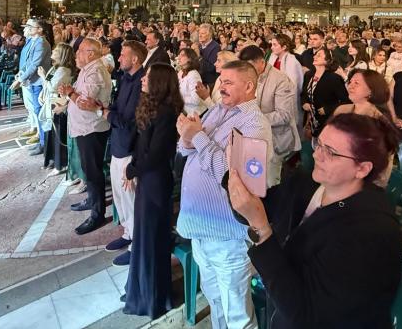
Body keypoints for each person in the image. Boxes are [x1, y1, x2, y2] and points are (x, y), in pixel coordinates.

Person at [227, 113, 402, 329]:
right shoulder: (307, 184)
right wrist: (236, 172)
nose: (317, 155)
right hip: (282, 314)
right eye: (319, 144)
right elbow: (252, 208)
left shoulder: (371, 231)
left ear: (362, 169)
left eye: (331, 152)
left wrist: (261, 229)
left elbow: (307, 315)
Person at [175, 60, 273, 329]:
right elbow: (188, 150)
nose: (221, 86)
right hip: (202, 230)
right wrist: (186, 137)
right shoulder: (217, 110)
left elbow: (237, 181)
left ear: (249, 86)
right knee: (216, 301)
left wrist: (197, 137)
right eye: (221, 80)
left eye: (229, 82)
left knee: (238, 315)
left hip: (227, 236)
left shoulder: (255, 124)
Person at [122, 63, 184, 320]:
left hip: (156, 181)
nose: (143, 80)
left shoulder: (167, 113)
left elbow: (156, 154)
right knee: (144, 235)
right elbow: (142, 145)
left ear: (159, 82)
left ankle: (152, 297)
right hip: (148, 178)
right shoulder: (153, 107)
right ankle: (140, 289)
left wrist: (133, 170)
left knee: (151, 238)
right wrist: (134, 167)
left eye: (148, 77)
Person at [99, 40, 147, 265]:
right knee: (119, 196)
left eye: (123, 55)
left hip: (130, 148)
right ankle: (128, 233)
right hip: (118, 143)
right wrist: (106, 109)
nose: (119, 58)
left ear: (135, 59)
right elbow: (118, 108)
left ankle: (138, 243)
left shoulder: (142, 84)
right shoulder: (126, 79)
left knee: (131, 199)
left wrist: (102, 112)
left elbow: (131, 123)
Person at [63, 37, 113, 235]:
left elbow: (86, 102)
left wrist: (70, 93)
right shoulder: (88, 69)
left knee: (93, 171)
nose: (76, 54)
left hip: (92, 128)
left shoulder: (97, 71)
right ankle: (92, 200)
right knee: (87, 168)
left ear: (91, 53)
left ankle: (97, 213)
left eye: (80, 51)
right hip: (83, 126)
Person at [239, 45, 301, 185]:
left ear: (261, 62)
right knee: (253, 180)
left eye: (251, 67)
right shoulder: (248, 76)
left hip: (275, 140)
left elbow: (284, 115)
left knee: (270, 183)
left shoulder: (280, 80)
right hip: (252, 136)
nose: (248, 71)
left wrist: (254, 118)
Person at [11, 19, 52, 146]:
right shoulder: (33, 40)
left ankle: (42, 141)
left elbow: (34, 64)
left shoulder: (41, 43)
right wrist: (21, 73)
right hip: (31, 80)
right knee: (34, 109)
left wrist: (20, 79)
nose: (28, 28)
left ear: (40, 29)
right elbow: (27, 61)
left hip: (38, 81)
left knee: (39, 111)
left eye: (31, 26)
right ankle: (40, 138)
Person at [36, 42, 74, 170]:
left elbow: (53, 87)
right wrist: (42, 94)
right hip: (50, 102)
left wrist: (42, 76)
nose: (53, 51)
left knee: (56, 133)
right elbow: (48, 84)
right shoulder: (55, 67)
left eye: (56, 50)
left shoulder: (64, 70)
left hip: (57, 104)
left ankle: (59, 164)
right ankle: (51, 160)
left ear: (62, 54)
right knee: (50, 134)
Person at [176, 48, 203, 116]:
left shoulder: (193, 74)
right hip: (183, 110)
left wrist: (178, 98)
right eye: (179, 55)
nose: (178, 57)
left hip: (194, 114)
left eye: (182, 55)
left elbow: (196, 100)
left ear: (190, 59)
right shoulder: (180, 72)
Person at [198, 23, 221, 87]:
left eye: (202, 33)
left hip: (209, 83)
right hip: (200, 78)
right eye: (199, 33)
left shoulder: (216, 47)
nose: (200, 35)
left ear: (209, 35)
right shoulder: (200, 45)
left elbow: (211, 68)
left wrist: (198, 56)